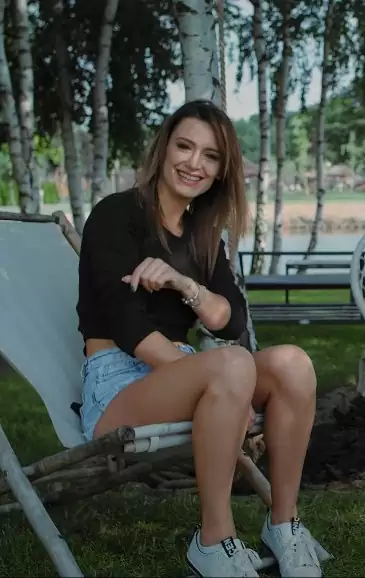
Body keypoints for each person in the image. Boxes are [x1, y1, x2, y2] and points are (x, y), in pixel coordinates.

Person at [76, 100, 324, 577]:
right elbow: (129, 329)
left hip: (190, 371)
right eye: (185, 147)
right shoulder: (116, 215)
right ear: (164, 149)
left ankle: (285, 524)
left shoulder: (204, 233)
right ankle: (213, 540)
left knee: (293, 363)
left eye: (210, 156)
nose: (194, 163)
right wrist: (227, 386)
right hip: (117, 385)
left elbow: (230, 321)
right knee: (232, 365)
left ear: (221, 170)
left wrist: (183, 283)